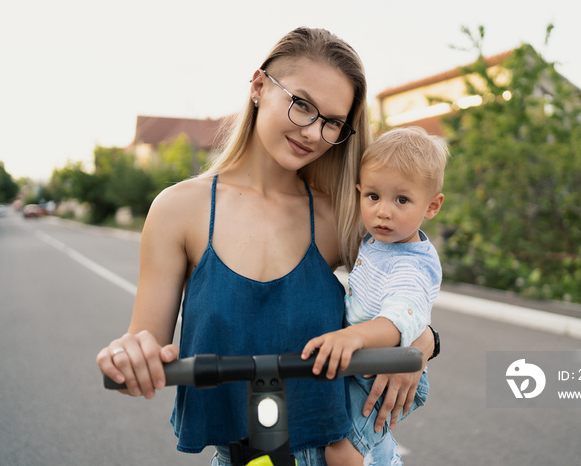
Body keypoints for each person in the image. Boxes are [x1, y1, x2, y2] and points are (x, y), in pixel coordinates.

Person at [96, 27, 434, 465]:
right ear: (258, 87)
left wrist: (423, 344)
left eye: (332, 122)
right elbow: (144, 347)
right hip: (243, 458)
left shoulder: (339, 216)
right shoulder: (178, 210)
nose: (314, 133)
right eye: (302, 105)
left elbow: (408, 287)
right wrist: (126, 357)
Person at [302, 126, 448, 465]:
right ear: (359, 193)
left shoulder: (412, 266)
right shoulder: (380, 239)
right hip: (365, 365)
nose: (383, 211)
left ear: (432, 206)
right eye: (373, 196)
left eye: (401, 200)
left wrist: (353, 336)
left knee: (341, 450)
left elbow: (399, 321)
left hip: (384, 373)